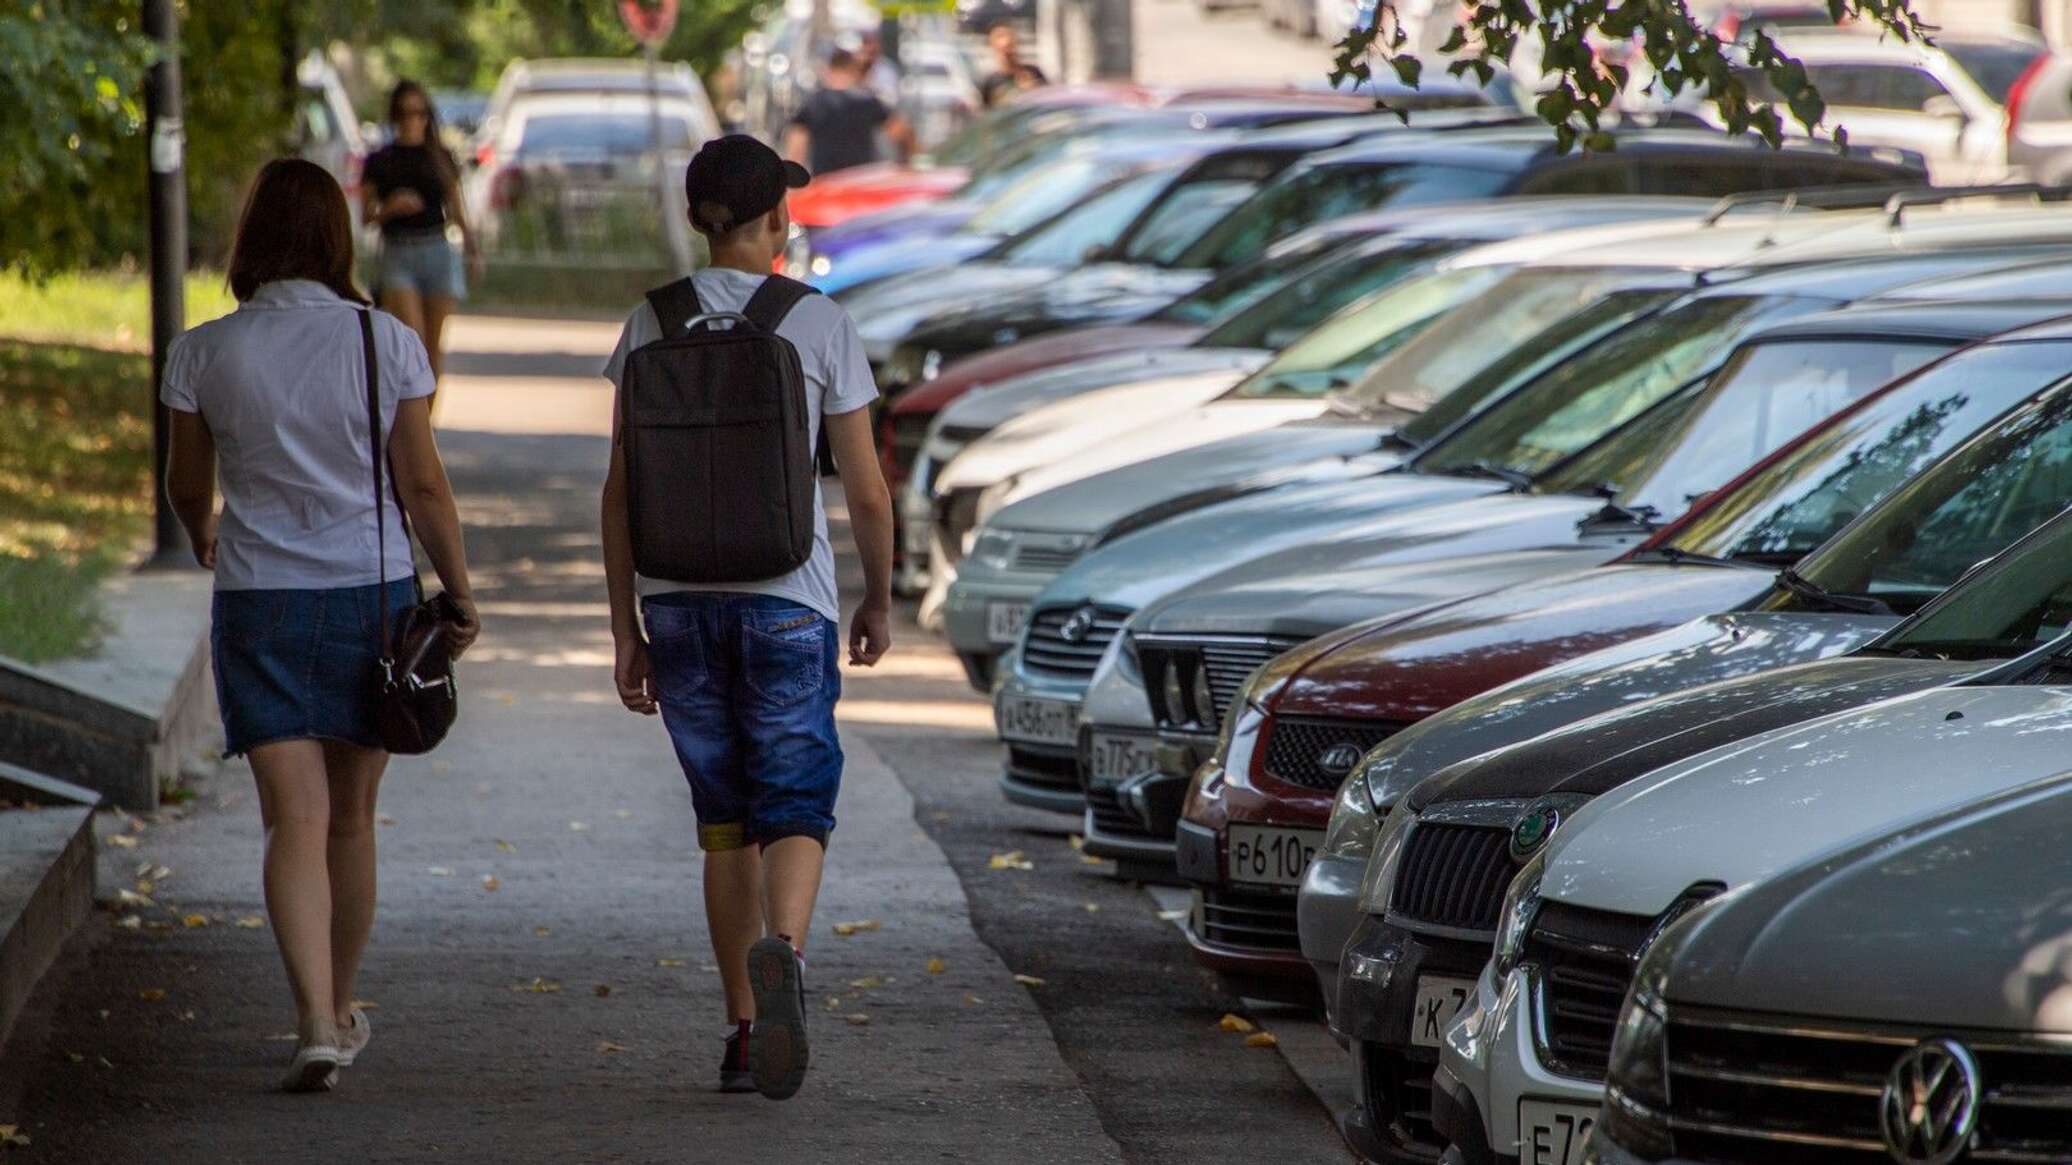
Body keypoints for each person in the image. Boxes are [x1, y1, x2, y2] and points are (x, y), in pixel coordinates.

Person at [162, 158, 480, 1093]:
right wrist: (458, 590)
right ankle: (341, 1006)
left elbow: (188, 486)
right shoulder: (386, 343)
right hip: (369, 599)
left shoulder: (204, 350)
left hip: (257, 600)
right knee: (349, 818)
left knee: (289, 820)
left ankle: (308, 1019)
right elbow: (422, 484)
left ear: (251, 239)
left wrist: (201, 530)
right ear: (339, 238)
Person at [600, 135, 894, 1100]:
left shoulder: (650, 322)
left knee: (723, 821)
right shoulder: (815, 323)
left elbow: (618, 491)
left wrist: (624, 628)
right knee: (798, 799)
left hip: (677, 603)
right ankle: (788, 959)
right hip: (786, 604)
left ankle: (740, 1029)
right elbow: (865, 486)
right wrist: (879, 596)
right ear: (778, 221)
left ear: (696, 220)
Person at [361, 79, 480, 392]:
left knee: (432, 349)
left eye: (419, 112)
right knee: (412, 343)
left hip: (437, 249)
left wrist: (472, 249)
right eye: (404, 113)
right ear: (394, 117)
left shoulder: (440, 156)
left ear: (428, 116)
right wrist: (390, 208)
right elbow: (366, 216)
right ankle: (407, 426)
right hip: (398, 252)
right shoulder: (380, 160)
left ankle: (426, 428)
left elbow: (457, 210)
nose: (412, 120)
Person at [783, 48, 915, 176]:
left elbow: (796, 149)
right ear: (854, 71)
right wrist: (904, 164)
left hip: (824, 183)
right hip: (858, 181)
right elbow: (902, 133)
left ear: (828, 70)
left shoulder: (812, 103)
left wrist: (795, 184)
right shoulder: (868, 102)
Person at [979, 22, 1047, 107]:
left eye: (1011, 46)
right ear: (993, 46)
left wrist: (1032, 89)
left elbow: (1049, 100)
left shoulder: (1034, 72)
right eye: (1004, 50)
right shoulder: (990, 82)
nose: (1008, 53)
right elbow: (986, 113)